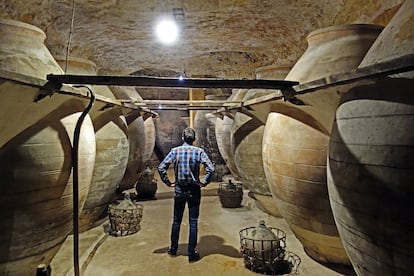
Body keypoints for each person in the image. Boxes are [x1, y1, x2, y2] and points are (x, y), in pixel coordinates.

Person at [158, 127, 214, 263]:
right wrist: (204, 182)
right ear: (194, 139)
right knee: (193, 222)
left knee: (176, 220)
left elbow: (161, 167)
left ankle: (173, 249)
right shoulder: (199, 152)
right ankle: (191, 254)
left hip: (179, 189)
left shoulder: (175, 151)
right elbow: (210, 168)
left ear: (183, 138)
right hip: (194, 190)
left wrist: (168, 182)